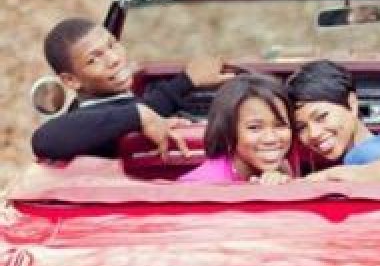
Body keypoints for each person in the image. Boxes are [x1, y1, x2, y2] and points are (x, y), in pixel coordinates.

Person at [31, 17, 234, 161]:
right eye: (94, 59)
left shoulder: (116, 108)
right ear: (71, 80)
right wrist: (138, 115)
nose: (114, 59)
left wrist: (188, 80)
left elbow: (147, 106)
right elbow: (44, 140)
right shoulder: (89, 123)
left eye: (112, 45)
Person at [286, 60, 380, 184]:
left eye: (321, 117)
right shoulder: (369, 147)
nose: (313, 133)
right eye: (301, 127)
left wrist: (328, 175)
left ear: (352, 104)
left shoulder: (367, 153)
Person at [179, 73, 293, 184]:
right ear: (227, 132)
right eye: (254, 127)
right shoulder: (201, 184)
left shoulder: (281, 168)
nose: (270, 138)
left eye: (280, 125)